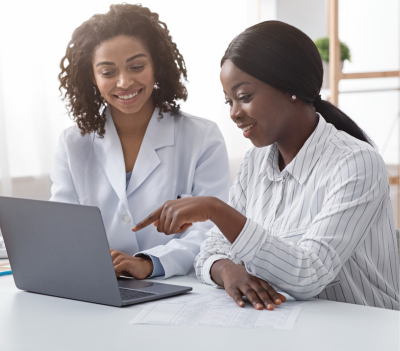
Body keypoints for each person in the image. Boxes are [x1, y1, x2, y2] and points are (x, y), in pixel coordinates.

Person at [133, 20, 400, 310]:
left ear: (291, 88)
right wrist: (228, 271)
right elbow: (211, 250)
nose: (235, 113)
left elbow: (308, 274)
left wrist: (215, 208)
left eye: (244, 97)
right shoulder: (255, 161)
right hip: (285, 324)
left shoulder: (356, 163)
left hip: (364, 329)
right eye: (229, 102)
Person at [51, 3, 229, 279]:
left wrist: (150, 263)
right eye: (108, 72)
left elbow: (213, 231)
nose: (124, 82)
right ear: (92, 77)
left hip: (177, 289)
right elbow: (61, 229)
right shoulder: (72, 143)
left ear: (156, 65)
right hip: (99, 285)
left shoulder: (201, 137)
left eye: (136, 66)